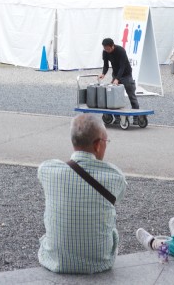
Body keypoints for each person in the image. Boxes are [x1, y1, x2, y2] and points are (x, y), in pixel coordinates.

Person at [37, 114, 127, 273]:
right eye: (106, 141)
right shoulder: (115, 177)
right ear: (98, 145)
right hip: (100, 261)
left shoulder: (47, 170)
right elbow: (117, 198)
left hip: (55, 260)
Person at [99, 37, 139, 109]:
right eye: (105, 48)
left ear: (112, 46)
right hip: (115, 74)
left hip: (126, 74)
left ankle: (137, 116)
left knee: (131, 96)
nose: (106, 50)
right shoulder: (105, 52)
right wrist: (103, 74)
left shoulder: (121, 50)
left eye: (108, 49)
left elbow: (122, 66)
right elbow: (106, 65)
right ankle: (118, 118)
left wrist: (117, 79)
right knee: (113, 96)